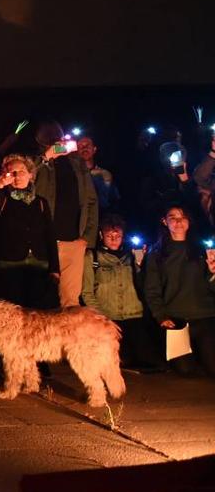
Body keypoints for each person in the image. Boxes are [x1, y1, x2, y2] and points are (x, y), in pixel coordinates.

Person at [82, 215, 165, 372]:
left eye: (118, 236)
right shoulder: (92, 257)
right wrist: (100, 317)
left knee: (153, 361)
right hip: (108, 317)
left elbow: (145, 285)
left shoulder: (131, 256)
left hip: (133, 315)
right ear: (101, 235)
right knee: (120, 359)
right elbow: (87, 292)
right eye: (109, 236)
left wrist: (140, 264)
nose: (114, 240)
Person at [32, 121, 98, 308]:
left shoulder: (77, 163)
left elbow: (91, 200)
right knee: (43, 300)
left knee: (71, 300)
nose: (56, 141)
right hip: (45, 241)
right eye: (49, 139)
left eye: (58, 137)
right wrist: (46, 157)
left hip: (73, 241)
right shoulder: (37, 161)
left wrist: (86, 237)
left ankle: (68, 337)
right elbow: (26, 179)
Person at [143, 205, 215, 376]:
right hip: (176, 318)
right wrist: (160, 316)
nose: (178, 222)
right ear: (164, 221)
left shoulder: (203, 250)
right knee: (185, 370)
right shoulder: (156, 253)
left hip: (205, 315)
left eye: (182, 217)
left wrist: (213, 274)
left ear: (189, 221)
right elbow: (151, 288)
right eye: (172, 217)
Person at [0, 154, 59, 310]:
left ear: (30, 174)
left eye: (21, 171)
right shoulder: (2, 198)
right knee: (12, 310)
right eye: (11, 172)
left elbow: (49, 235)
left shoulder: (41, 202)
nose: (16, 176)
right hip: (10, 263)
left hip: (39, 261)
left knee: (38, 311)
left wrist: (55, 268)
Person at [77, 136, 121, 214]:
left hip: (100, 217)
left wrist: (107, 180)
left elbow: (112, 199)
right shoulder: (72, 174)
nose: (84, 148)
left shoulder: (104, 173)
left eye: (88, 145)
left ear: (94, 149)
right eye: (80, 146)